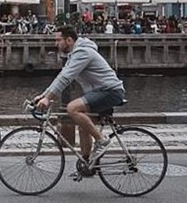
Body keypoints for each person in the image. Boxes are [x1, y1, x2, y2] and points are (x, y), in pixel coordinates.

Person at [33, 26, 126, 164]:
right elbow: (61, 76)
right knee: (83, 126)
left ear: (69, 40)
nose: (55, 44)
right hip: (99, 92)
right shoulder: (74, 54)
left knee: (72, 108)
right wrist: (44, 95)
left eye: (58, 40)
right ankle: (87, 163)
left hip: (110, 91)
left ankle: (102, 140)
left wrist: (48, 98)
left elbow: (66, 78)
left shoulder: (83, 53)